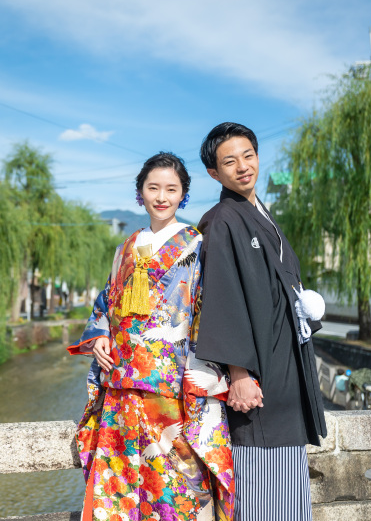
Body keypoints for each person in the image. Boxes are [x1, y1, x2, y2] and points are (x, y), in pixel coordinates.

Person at [69, 152, 234, 521]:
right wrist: (99, 337)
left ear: (183, 195)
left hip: (172, 384)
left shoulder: (195, 243)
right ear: (140, 193)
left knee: (176, 485)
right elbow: (107, 300)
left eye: (171, 189)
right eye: (153, 188)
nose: (162, 197)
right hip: (122, 384)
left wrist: (211, 368)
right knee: (119, 482)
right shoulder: (125, 247)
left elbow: (209, 306)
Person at [195, 122, 327, 520]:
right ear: (214, 173)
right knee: (262, 489)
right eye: (229, 161)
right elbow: (223, 297)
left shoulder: (261, 214)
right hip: (257, 377)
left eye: (248, 156)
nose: (243, 167)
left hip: (285, 366)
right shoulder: (221, 220)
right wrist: (238, 373)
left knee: (288, 493)